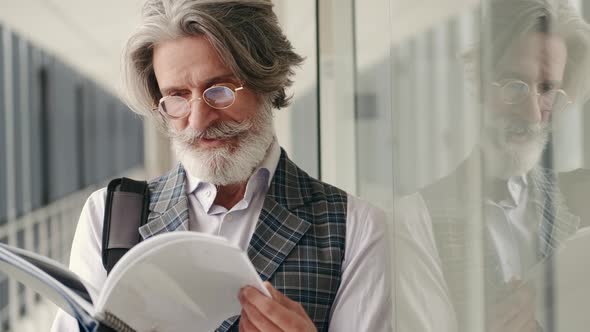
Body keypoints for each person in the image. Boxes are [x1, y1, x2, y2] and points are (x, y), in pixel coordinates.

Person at [51, 0, 392, 331]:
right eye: (177, 97)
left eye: (219, 90)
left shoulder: (356, 228)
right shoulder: (108, 216)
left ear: (265, 81)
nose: (199, 120)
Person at [396, 0, 590, 331]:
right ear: (479, 83)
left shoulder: (581, 199)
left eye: (547, 90)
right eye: (515, 84)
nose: (531, 113)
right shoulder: (416, 220)